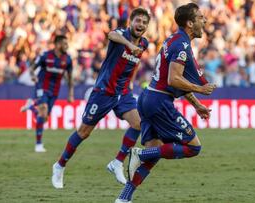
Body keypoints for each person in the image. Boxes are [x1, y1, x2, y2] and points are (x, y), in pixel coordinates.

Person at [115, 3, 217, 203]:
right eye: (200, 18)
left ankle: (124, 198)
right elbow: (173, 79)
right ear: (190, 23)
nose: (204, 21)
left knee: (155, 153)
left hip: (148, 97)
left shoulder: (174, 39)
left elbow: (174, 81)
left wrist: (196, 105)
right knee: (193, 147)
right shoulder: (181, 45)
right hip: (159, 101)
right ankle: (140, 154)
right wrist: (200, 89)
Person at [51, 8, 151, 189]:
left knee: (139, 123)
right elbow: (112, 35)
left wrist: (131, 82)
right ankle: (59, 165)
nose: (141, 25)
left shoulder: (143, 43)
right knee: (83, 132)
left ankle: (117, 162)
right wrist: (129, 45)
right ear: (131, 22)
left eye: (144, 22)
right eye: (138, 21)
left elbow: (134, 63)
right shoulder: (121, 34)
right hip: (104, 92)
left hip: (123, 93)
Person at [20, 35, 74, 153]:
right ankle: (38, 145)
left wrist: (70, 94)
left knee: (43, 118)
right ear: (58, 44)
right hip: (41, 87)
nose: (67, 46)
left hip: (54, 91)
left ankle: (30, 106)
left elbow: (70, 79)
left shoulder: (68, 59)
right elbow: (31, 69)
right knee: (43, 109)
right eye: (65, 44)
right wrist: (33, 76)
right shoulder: (45, 56)